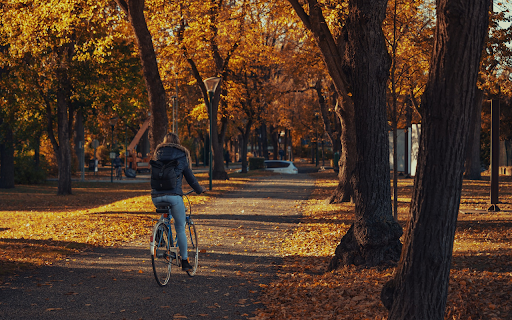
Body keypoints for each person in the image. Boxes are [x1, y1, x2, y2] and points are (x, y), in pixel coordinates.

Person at [151, 132, 205, 271]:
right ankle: (185, 261)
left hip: (156, 196)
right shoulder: (182, 155)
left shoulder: (157, 154)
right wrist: (199, 190)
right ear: (178, 142)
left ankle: (160, 228)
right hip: (174, 196)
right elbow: (190, 178)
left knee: (165, 211)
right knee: (180, 227)